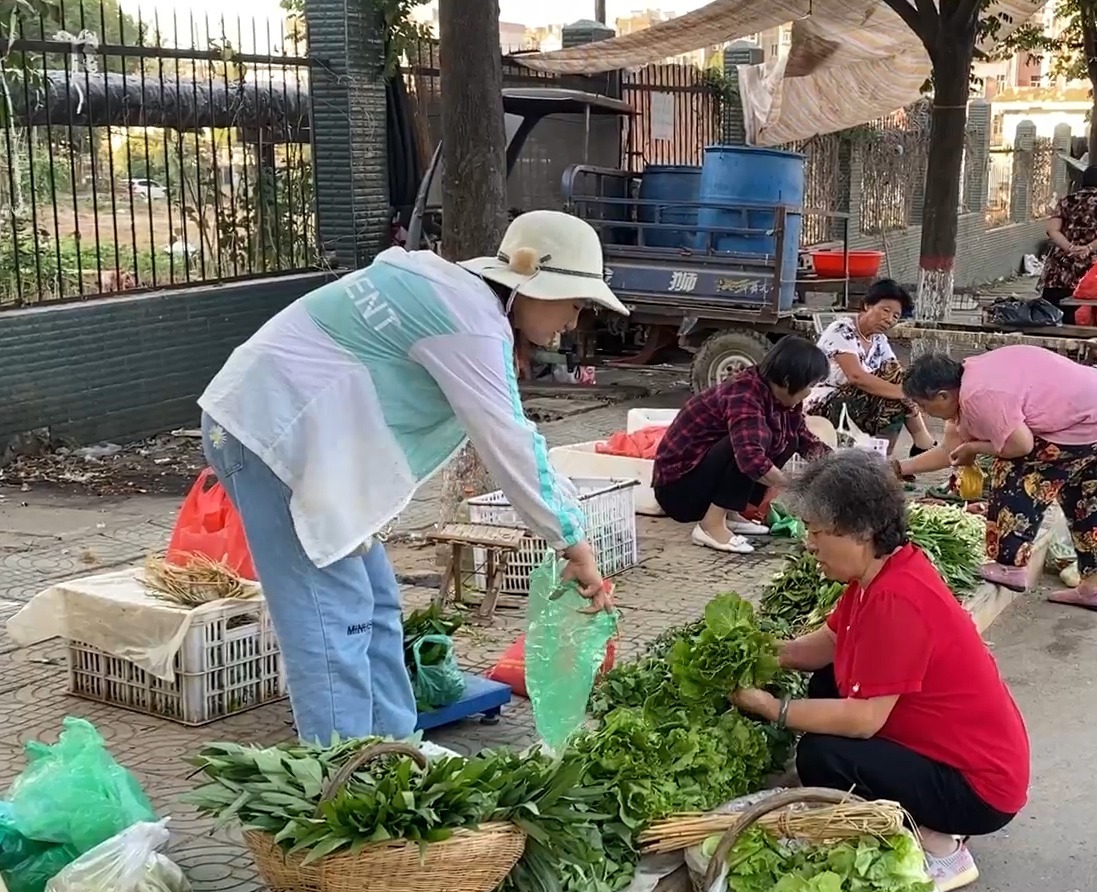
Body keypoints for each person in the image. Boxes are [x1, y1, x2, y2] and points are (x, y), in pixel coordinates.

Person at [197, 210, 622, 745]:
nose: (573, 321)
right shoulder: (470, 321)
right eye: (575, 303)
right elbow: (511, 444)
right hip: (270, 436)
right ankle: (344, 782)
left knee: (375, 607)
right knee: (333, 623)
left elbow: (515, 439)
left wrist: (569, 533)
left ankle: (398, 752)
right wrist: (572, 543)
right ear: (531, 282)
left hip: (305, 442)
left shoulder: (452, 289)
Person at [729, 451, 1029, 892]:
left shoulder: (897, 600)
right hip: (956, 755)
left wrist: (773, 707)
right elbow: (830, 644)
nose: (809, 544)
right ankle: (924, 814)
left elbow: (865, 719)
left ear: (860, 531)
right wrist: (755, 652)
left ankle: (939, 844)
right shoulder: (882, 573)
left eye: (816, 532)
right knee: (827, 681)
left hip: (978, 788)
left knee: (821, 756)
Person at [896, 348, 1097, 610]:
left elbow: (1020, 446)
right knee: (1090, 496)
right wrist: (898, 468)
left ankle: (1010, 566)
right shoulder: (969, 376)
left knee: (1015, 473)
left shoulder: (979, 396)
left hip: (1083, 419)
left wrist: (975, 448)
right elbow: (949, 451)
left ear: (943, 395)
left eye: (925, 407)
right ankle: (1093, 587)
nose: (925, 414)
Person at [652, 338, 830, 554]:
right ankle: (711, 526)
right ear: (787, 379)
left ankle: (729, 513)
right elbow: (750, 458)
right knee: (753, 441)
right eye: (809, 385)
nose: (810, 392)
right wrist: (794, 487)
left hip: (704, 484)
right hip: (679, 490)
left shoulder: (784, 399)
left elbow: (804, 439)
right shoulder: (744, 393)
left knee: (788, 438)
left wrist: (837, 465)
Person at [808, 279, 937, 455]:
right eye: (885, 310)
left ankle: (885, 455)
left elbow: (895, 372)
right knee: (897, 394)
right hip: (826, 400)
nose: (889, 319)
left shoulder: (879, 339)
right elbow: (856, 377)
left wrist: (907, 390)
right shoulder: (842, 329)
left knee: (899, 379)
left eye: (895, 316)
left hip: (860, 398)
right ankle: (918, 441)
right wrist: (907, 394)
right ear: (867, 305)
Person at [1040, 165, 1097, 317]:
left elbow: (1052, 230)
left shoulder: (1066, 201)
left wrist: (1070, 248)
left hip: (1063, 265)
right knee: (1090, 312)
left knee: (1056, 315)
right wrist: (1089, 248)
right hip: (1094, 267)